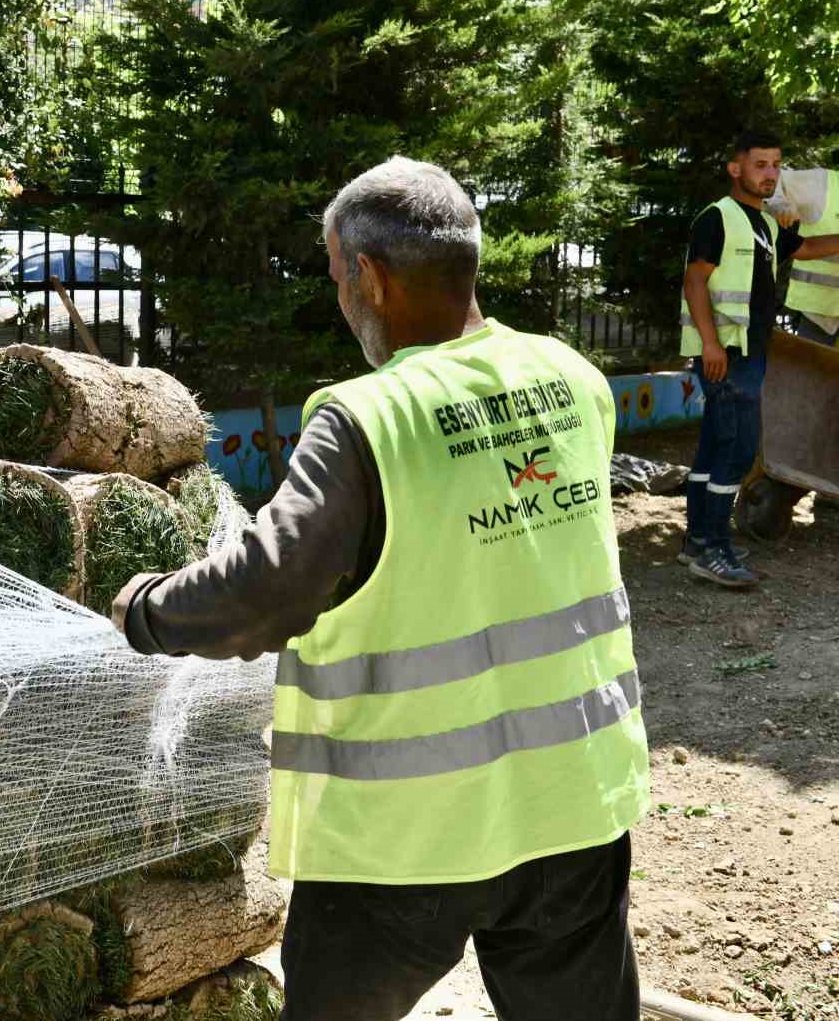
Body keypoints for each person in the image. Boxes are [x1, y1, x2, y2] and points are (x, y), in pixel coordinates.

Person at [112, 157, 650, 1021]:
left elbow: (268, 588)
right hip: (573, 812)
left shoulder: (368, 420)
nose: (340, 298)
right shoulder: (574, 380)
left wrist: (145, 609)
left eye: (335, 277)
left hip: (404, 841)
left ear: (369, 275)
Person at [678, 132, 839, 587]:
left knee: (714, 447)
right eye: (760, 165)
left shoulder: (764, 224)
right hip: (727, 354)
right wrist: (710, 344)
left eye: (775, 165)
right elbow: (695, 283)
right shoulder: (719, 217)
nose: (770, 174)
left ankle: (697, 540)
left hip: (749, 351)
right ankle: (713, 549)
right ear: (736, 169)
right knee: (737, 449)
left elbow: (804, 248)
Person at [765, 165, 839, 347]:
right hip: (819, 317)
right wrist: (780, 203)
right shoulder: (824, 185)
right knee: (808, 371)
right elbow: (774, 179)